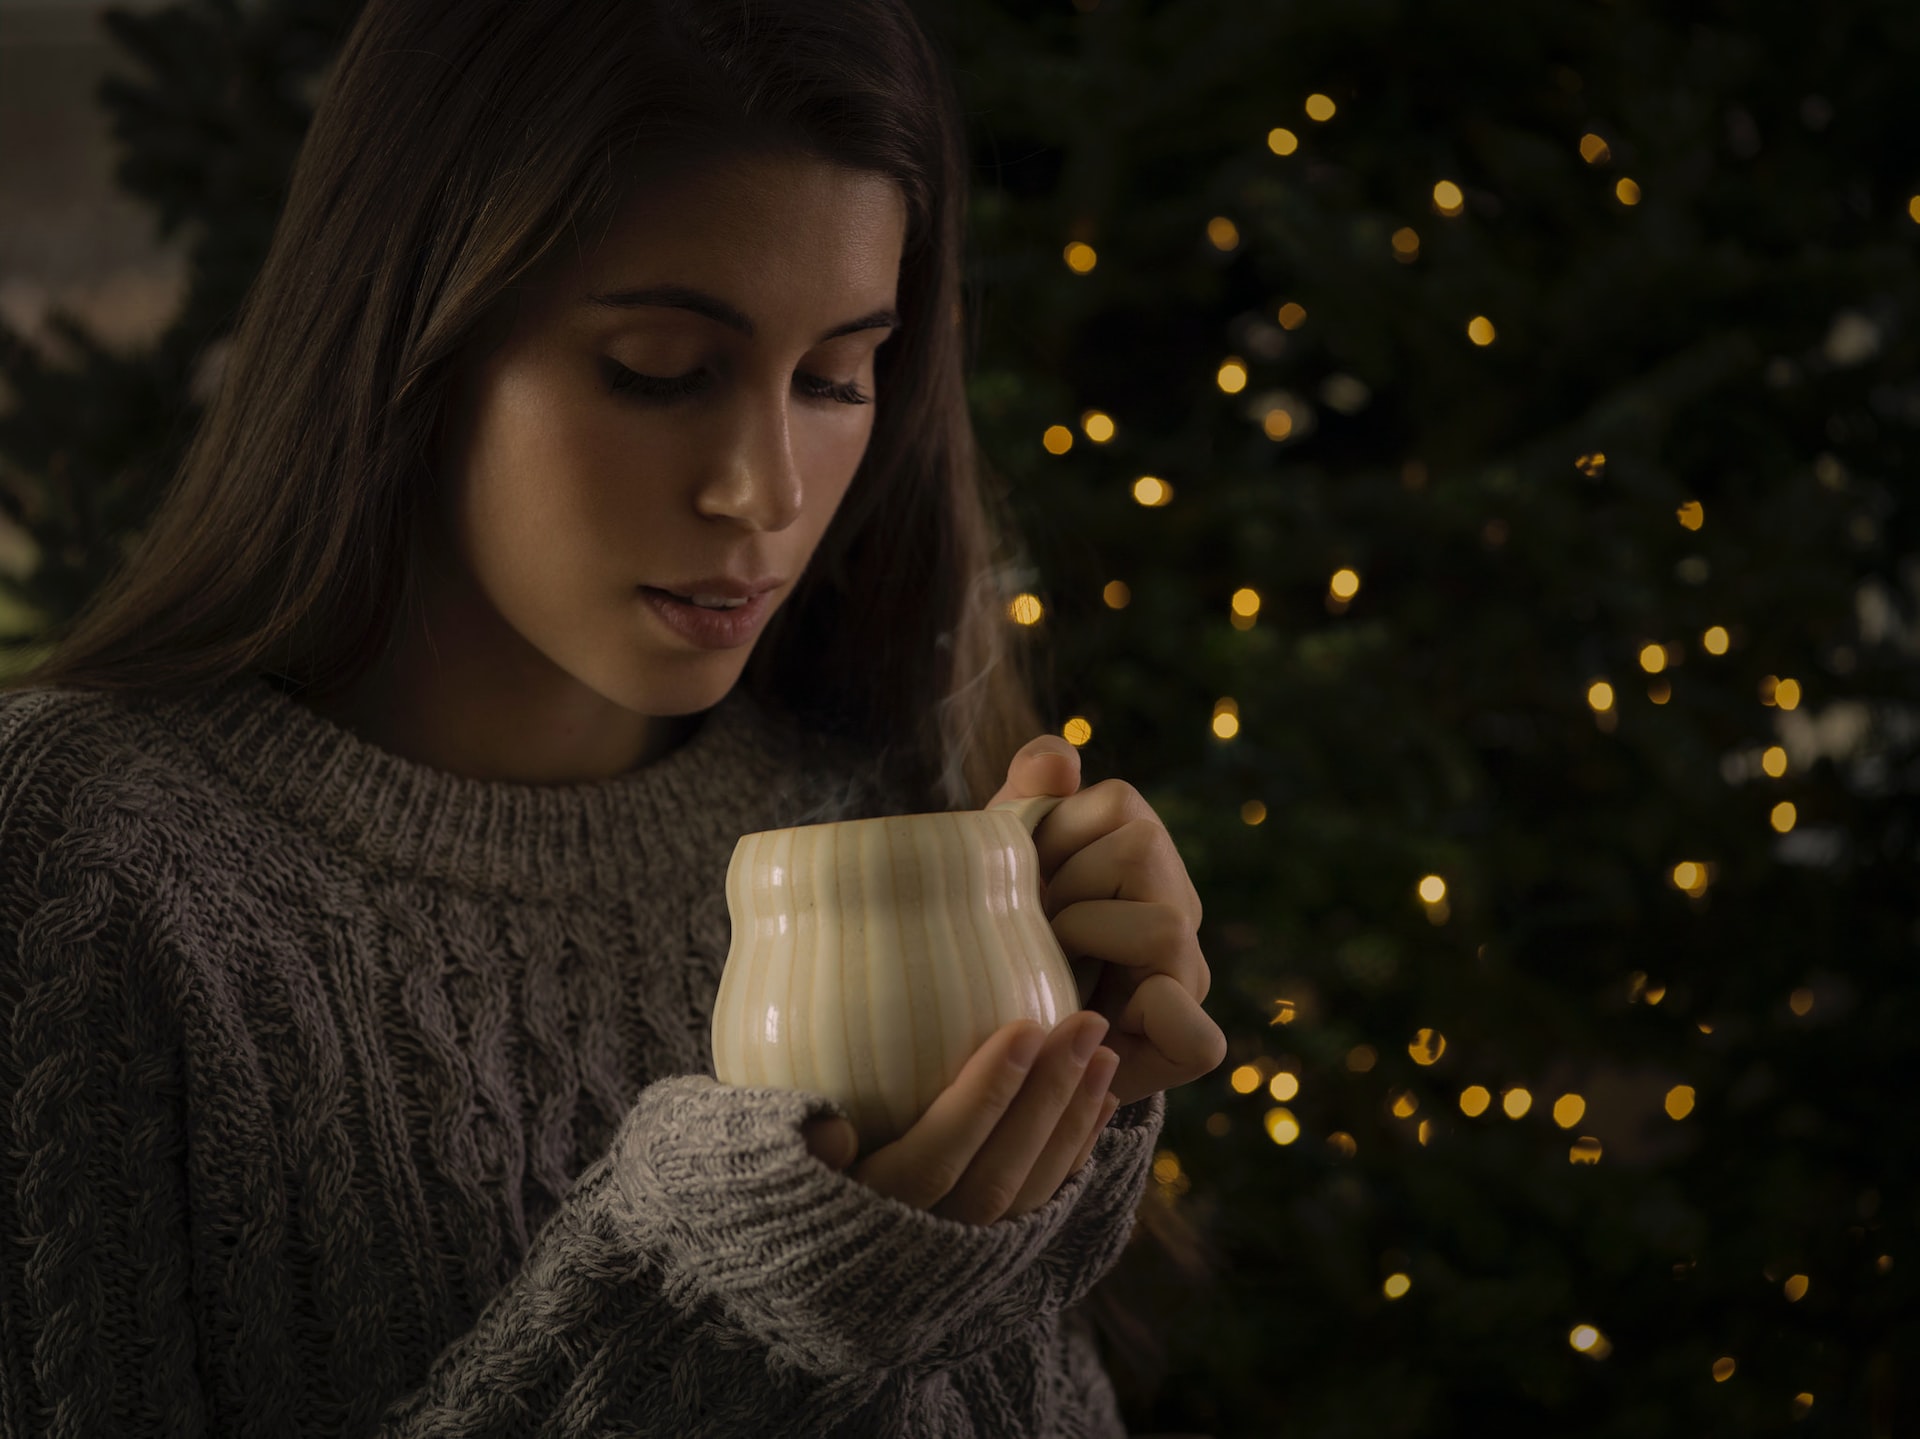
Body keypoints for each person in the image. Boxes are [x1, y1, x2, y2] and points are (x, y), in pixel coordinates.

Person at [0, 0, 1226, 1433]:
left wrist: (1049, 1121)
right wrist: (723, 1310)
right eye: (659, 371)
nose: (764, 494)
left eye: (836, 377)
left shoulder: (868, 806)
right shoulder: (81, 863)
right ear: (412, 335)